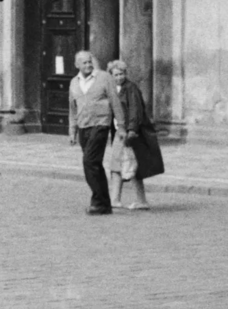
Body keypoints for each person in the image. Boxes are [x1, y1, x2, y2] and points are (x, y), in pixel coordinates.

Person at [67, 50, 125, 216]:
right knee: (96, 165)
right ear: (77, 65)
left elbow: (115, 101)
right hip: (83, 127)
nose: (88, 65)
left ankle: (98, 201)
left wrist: (121, 126)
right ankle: (105, 204)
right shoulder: (73, 82)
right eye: (84, 63)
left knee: (89, 161)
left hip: (100, 124)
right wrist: (72, 131)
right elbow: (72, 108)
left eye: (89, 62)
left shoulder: (104, 78)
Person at [106, 60, 165, 211]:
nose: (119, 77)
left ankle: (135, 200)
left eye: (121, 74)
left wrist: (131, 130)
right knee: (122, 166)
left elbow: (135, 110)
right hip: (119, 132)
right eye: (116, 75)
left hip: (127, 133)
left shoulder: (130, 88)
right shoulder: (112, 89)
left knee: (127, 166)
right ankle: (120, 200)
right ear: (110, 76)